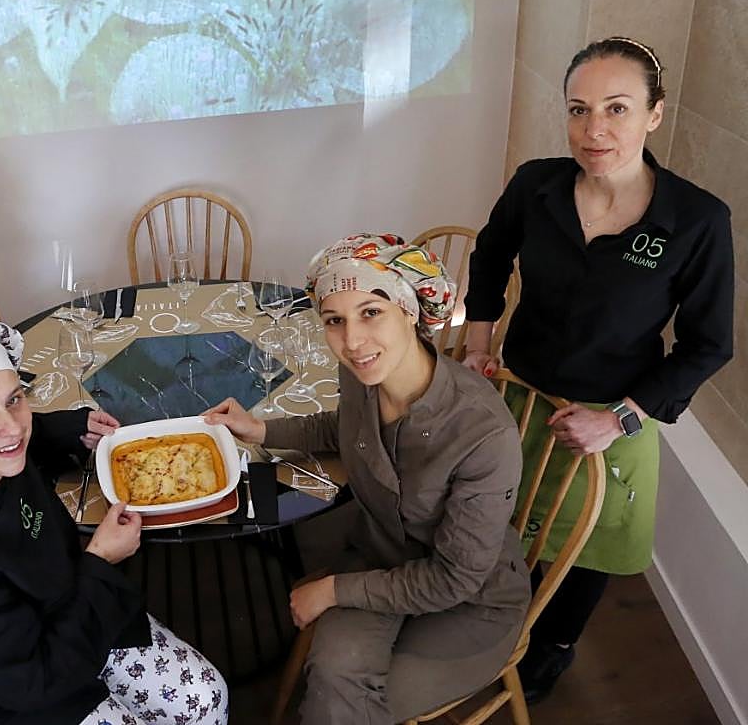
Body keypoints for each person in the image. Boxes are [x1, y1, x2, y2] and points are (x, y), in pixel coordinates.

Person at [463, 36, 734, 701]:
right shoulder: (536, 185)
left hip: (614, 417)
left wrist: (617, 420)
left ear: (655, 114)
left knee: (588, 549)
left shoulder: (696, 220)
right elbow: (492, 254)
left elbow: (707, 344)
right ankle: (492, 621)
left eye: (617, 108)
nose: (595, 130)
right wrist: (478, 339)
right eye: (579, 109)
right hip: (520, 397)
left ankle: (552, 648)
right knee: (500, 521)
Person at [206, 234, 529, 725]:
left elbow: (456, 577)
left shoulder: (484, 434)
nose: (353, 341)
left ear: (411, 311)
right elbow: (342, 427)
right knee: (333, 676)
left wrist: (333, 591)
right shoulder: (363, 375)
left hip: (468, 598)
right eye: (335, 321)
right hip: (381, 556)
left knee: (346, 704)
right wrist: (261, 429)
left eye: (371, 312)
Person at [0, 320, 229, 725]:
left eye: (15, 399)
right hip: (14, 695)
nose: (11, 427)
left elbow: (19, 438)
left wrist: (73, 427)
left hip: (61, 609)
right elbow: (35, 682)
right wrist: (100, 561)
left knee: (206, 699)